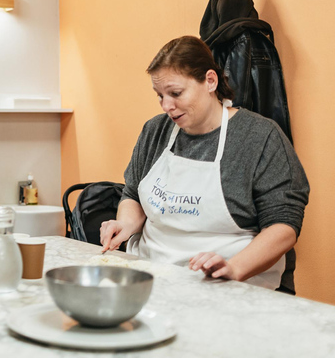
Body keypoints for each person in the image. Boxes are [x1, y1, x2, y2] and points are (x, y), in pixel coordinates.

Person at [100, 36, 309, 292]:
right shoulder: (155, 131)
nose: (167, 106)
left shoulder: (260, 137)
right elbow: (132, 193)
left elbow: (284, 226)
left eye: (176, 93)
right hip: (151, 276)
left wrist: (233, 268)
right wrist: (125, 224)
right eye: (160, 96)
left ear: (210, 81)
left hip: (230, 285)